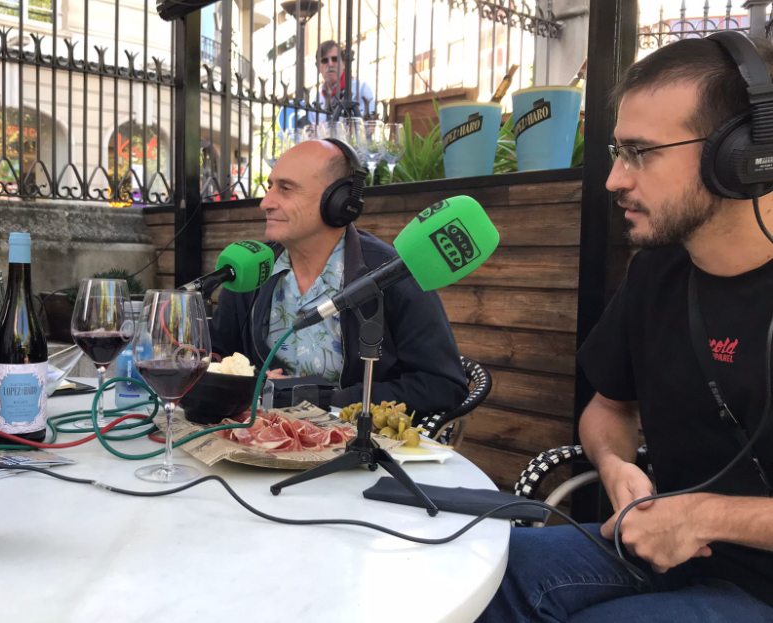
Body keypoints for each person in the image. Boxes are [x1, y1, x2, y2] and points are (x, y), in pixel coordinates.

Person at [478, 35, 773, 622]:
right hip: (660, 554)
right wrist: (616, 467)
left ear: (740, 154)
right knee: (475, 575)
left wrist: (703, 516)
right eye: (617, 150)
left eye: (640, 152)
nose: (614, 179)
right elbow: (607, 409)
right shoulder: (656, 273)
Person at [209, 139, 468, 417]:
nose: (266, 203)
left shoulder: (393, 274)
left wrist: (328, 398)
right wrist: (251, 381)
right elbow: (219, 357)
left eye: (285, 189)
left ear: (339, 201)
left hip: (357, 446)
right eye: (269, 187)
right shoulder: (252, 270)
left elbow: (443, 385)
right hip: (259, 439)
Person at [307, 40, 376, 125]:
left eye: (335, 59)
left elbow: (370, 127)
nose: (330, 64)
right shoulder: (317, 99)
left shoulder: (361, 88)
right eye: (324, 60)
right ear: (318, 67)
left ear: (344, 64)